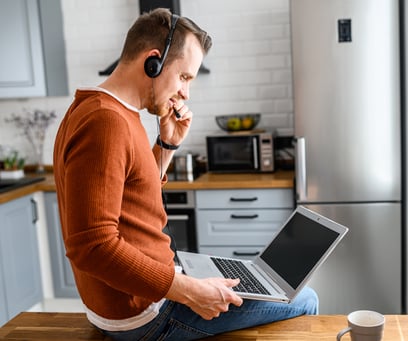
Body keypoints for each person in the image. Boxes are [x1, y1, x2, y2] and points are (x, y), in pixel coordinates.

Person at [53, 8, 318, 341]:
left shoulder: (102, 110)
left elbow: (131, 195)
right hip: (145, 313)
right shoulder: (106, 123)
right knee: (306, 299)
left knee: (263, 284)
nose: (186, 93)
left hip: (141, 297)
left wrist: (167, 144)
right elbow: (92, 246)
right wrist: (188, 291)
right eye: (184, 77)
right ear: (153, 61)